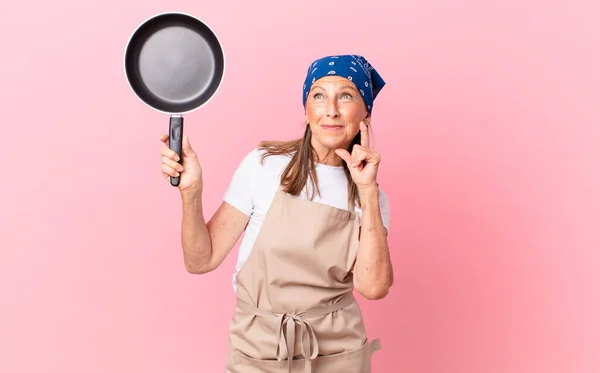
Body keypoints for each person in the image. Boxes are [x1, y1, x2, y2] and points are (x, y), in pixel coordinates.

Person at [159, 54, 393, 373]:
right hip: (259, 348)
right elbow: (201, 260)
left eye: (347, 96)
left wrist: (366, 190)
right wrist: (191, 192)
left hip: (339, 353)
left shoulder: (373, 197)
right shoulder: (265, 165)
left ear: (365, 112)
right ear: (306, 108)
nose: (332, 109)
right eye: (319, 95)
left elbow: (373, 287)